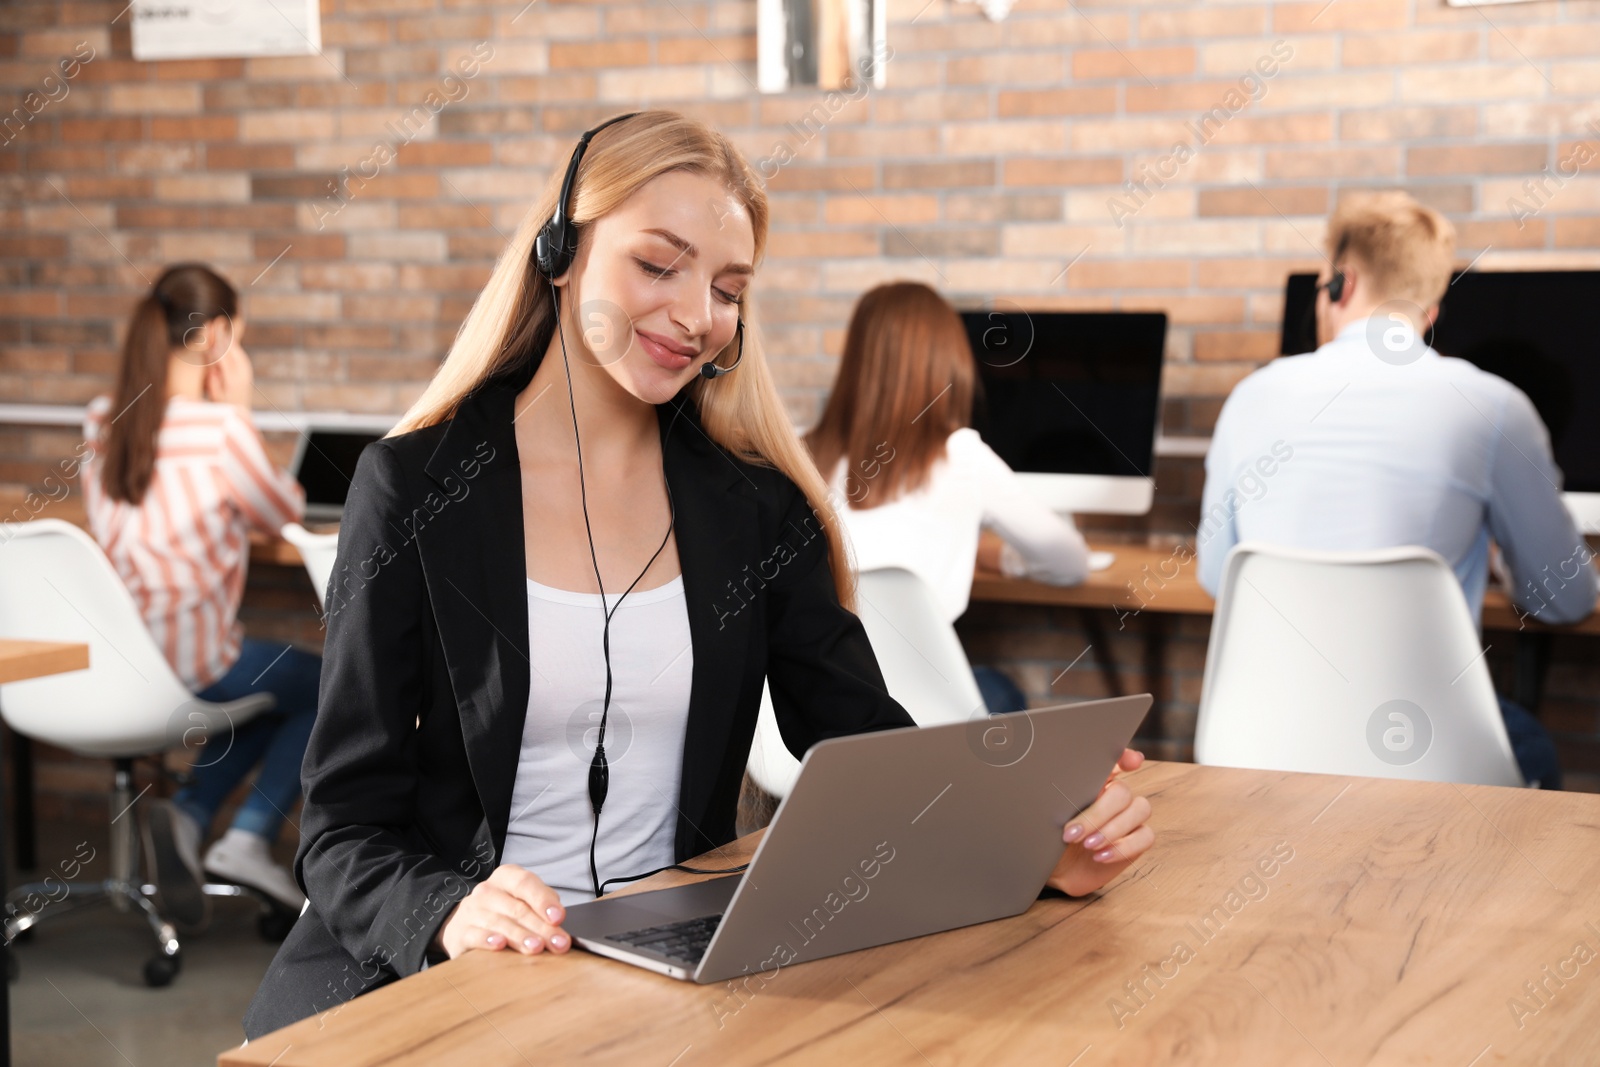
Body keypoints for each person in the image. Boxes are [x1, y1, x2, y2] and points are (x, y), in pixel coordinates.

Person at [242, 110, 1153, 1037]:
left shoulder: (757, 510)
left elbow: (868, 752)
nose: (696, 316)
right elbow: (345, 823)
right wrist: (444, 908)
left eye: (728, 288)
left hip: (658, 984)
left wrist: (1034, 837)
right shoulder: (412, 488)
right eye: (657, 263)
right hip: (450, 977)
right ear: (560, 252)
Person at [1198, 191, 1597, 788]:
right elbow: (1566, 600)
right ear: (1431, 309)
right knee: (1530, 744)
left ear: (1340, 283)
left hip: (1259, 743)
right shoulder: (1495, 408)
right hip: (1429, 758)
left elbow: (1215, 575)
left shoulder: (1251, 396)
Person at [83, 263, 321, 927]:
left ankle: (187, 817)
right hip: (194, 667)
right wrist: (239, 410)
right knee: (329, 683)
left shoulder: (103, 420)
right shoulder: (220, 432)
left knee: (272, 692)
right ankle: (245, 839)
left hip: (118, 666)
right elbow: (284, 511)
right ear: (217, 336)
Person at [805, 281, 1092, 714]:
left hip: (810, 716)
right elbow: (1070, 563)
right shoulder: (962, 454)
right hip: (913, 719)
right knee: (1001, 692)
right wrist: (1005, 559)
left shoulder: (800, 453)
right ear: (947, 363)